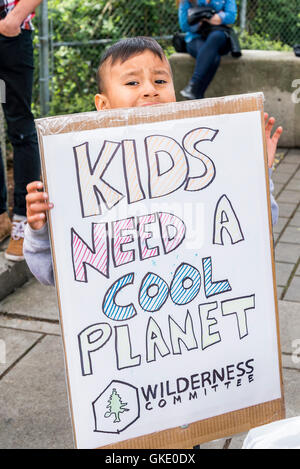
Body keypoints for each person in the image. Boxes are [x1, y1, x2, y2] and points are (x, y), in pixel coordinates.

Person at [23, 36, 282, 286]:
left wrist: (258, 176)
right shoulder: (81, 176)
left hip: (196, 315)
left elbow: (255, 233)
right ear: (103, 104)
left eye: (160, 80)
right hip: (120, 324)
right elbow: (51, 274)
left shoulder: (203, 160)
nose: (149, 90)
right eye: (132, 83)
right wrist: (41, 231)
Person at [0, 0, 42, 261]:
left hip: (9, 40)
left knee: (20, 127)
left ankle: (22, 223)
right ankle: (1, 218)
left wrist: (13, 19)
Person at [178, 0, 237, 100]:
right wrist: (208, 19)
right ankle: (197, 94)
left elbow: (231, 17)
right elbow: (184, 25)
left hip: (218, 38)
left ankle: (193, 85)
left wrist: (203, 17)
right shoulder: (186, 1)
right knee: (213, 58)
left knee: (216, 36)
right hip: (195, 38)